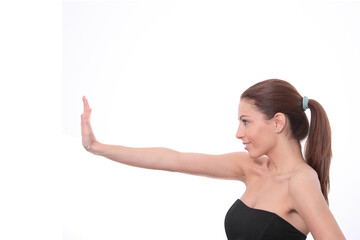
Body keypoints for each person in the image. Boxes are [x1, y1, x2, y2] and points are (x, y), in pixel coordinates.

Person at [81, 79, 346, 240]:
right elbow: (174, 160)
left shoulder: (300, 182)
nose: (238, 133)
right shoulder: (251, 167)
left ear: (277, 122)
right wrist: (96, 147)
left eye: (246, 122)